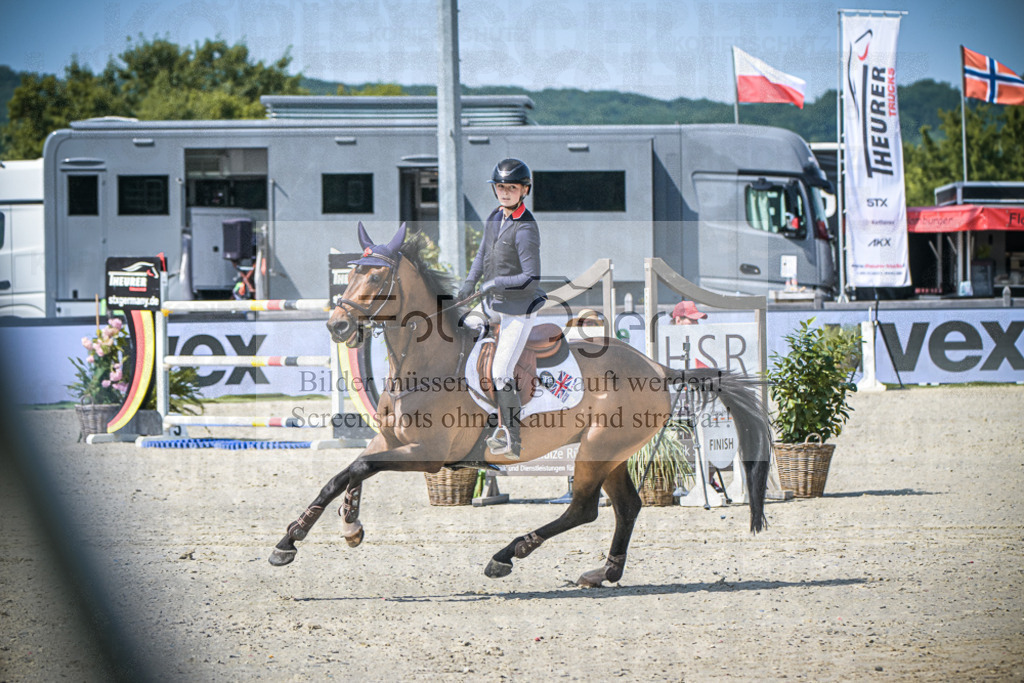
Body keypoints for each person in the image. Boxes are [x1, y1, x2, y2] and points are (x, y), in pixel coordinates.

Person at [458, 158, 545, 458]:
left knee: (500, 371)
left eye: (512, 188)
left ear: (524, 190)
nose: (505, 193)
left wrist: (496, 283)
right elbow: (482, 254)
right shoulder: (495, 217)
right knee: (457, 333)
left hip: (518, 309)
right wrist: (469, 283)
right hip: (492, 303)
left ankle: (512, 438)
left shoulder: (525, 228)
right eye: (500, 187)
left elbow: (531, 278)